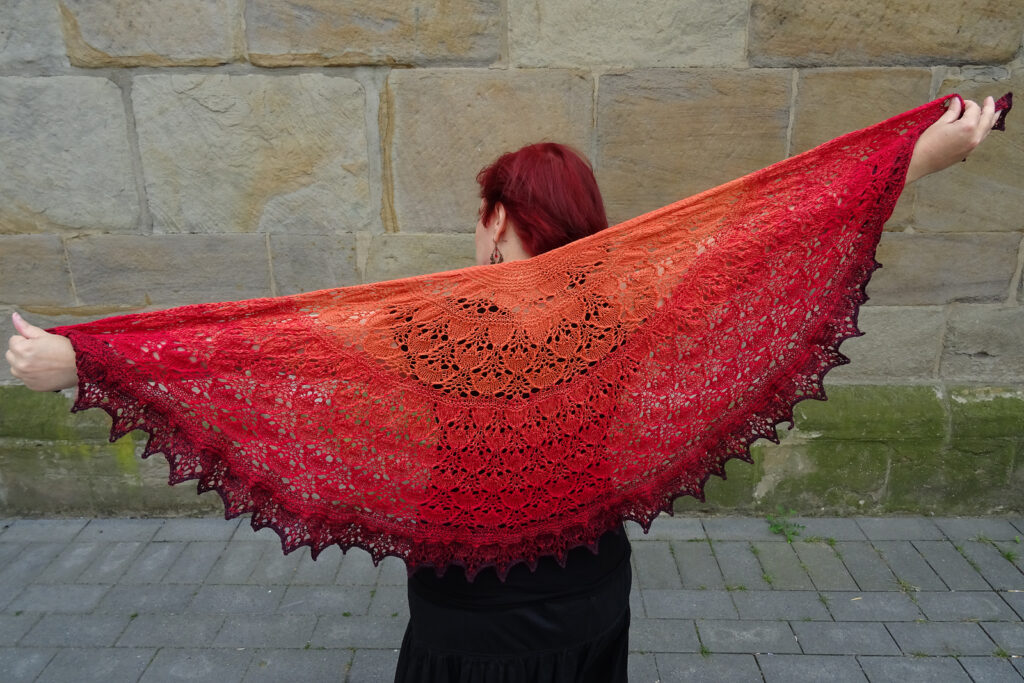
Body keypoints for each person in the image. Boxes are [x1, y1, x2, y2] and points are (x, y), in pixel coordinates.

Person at [5, 95, 1003, 682]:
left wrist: (83, 359)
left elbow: (254, 347)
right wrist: (924, 154)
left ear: (496, 222)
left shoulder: (424, 327)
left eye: (478, 212)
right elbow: (769, 230)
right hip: (591, 592)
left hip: (464, 614)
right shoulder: (631, 300)